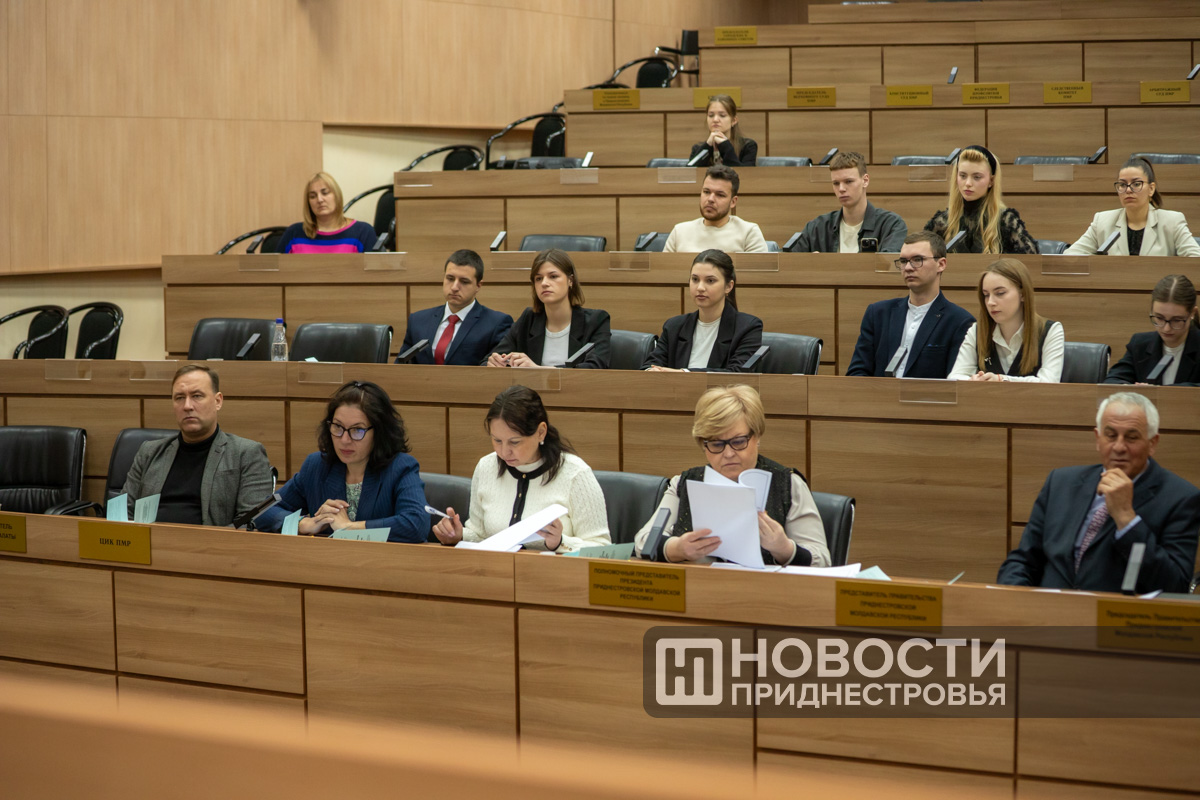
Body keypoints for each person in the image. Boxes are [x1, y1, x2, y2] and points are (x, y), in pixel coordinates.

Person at [997, 392, 1200, 593]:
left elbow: (1174, 586)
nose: (1119, 447)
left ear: (1152, 443)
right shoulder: (1061, 483)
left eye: (1131, 438)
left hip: (1116, 612)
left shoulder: (1180, 498)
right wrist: (1013, 602)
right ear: (1097, 438)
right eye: (1111, 436)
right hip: (1047, 609)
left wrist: (1126, 519)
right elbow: (1023, 561)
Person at [633, 385, 829, 567]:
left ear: (757, 436)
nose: (728, 454)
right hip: (697, 586)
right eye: (716, 444)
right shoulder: (684, 483)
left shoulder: (788, 484)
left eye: (738, 442)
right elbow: (643, 542)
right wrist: (677, 548)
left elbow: (822, 560)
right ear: (703, 445)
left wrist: (784, 548)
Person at [432, 386, 610, 552]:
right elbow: (481, 536)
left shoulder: (575, 474)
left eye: (515, 442)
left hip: (553, 573)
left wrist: (560, 542)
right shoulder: (486, 467)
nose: (504, 452)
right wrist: (458, 535)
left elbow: (602, 547)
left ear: (541, 432)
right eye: (497, 440)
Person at [263, 381, 428, 543]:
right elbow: (263, 510)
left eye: (357, 430)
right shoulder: (316, 466)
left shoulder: (400, 467)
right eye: (338, 427)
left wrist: (350, 527)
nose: (344, 440)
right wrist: (303, 523)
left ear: (379, 432)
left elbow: (416, 523)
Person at [121, 365, 274, 526]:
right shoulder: (149, 452)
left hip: (211, 542)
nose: (187, 406)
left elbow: (250, 523)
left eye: (197, 396)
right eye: (179, 397)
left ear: (218, 401)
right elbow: (123, 513)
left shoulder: (246, 453)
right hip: (149, 540)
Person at [846, 231, 975, 378]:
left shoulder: (960, 321)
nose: (908, 267)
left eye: (917, 260)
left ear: (941, 264)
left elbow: (956, 382)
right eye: (903, 261)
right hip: (878, 393)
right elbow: (857, 373)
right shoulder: (878, 313)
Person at [487, 249, 610, 369]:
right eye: (538, 278)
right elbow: (489, 361)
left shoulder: (596, 321)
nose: (544, 283)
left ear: (570, 280)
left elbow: (595, 367)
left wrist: (538, 370)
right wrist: (494, 362)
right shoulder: (528, 319)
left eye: (553, 276)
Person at [644, 249, 763, 372]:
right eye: (695, 279)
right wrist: (651, 372)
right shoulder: (674, 326)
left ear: (728, 286)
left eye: (710, 281)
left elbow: (737, 373)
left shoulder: (747, 327)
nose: (700, 287)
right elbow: (650, 365)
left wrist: (683, 374)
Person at [948, 258, 1064, 382]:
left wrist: (1001, 380)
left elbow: (1049, 383)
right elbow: (954, 377)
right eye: (986, 295)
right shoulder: (976, 331)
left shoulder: (1050, 331)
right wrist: (973, 381)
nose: (990, 302)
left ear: (1023, 294)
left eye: (1000, 293)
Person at [1064, 157, 1200, 257]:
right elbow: (1071, 256)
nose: (1128, 190)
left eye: (1136, 184)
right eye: (1122, 185)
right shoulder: (1102, 221)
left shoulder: (1172, 222)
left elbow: (1195, 259)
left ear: (1151, 189)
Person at [400, 249, 514, 366]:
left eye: (464, 282)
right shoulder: (417, 320)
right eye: (450, 279)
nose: (454, 287)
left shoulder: (497, 324)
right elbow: (401, 366)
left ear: (478, 286)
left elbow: (496, 368)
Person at [924, 146, 1037, 255]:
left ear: (991, 181)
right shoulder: (942, 222)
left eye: (977, 177)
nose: (968, 183)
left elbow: (1031, 260)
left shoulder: (1005, 221)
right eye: (963, 176)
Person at [791, 151, 907, 253]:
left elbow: (887, 266)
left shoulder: (891, 225)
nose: (841, 189)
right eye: (836, 183)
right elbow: (788, 261)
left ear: (865, 181)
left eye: (848, 181)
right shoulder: (817, 227)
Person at [1105, 274, 1200, 386]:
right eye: (1159, 318)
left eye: (1176, 320)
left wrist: (1157, 392)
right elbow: (1112, 381)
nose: (1166, 328)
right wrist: (1132, 389)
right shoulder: (1139, 344)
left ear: (1192, 313)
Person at [663, 166, 768, 254]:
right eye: (706, 192)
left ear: (733, 202)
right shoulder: (679, 232)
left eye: (720, 195)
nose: (710, 199)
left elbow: (758, 272)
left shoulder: (749, 233)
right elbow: (663, 270)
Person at [276, 172, 378, 254]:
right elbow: (274, 270)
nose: (319, 200)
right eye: (313, 196)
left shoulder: (363, 232)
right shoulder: (294, 233)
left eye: (325, 193)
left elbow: (376, 271)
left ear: (337, 196)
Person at [686, 94, 757, 167]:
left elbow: (745, 173)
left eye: (722, 115)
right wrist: (707, 146)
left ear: (734, 120)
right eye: (711, 115)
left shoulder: (748, 146)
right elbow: (689, 172)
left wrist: (726, 146)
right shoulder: (698, 148)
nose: (715, 120)